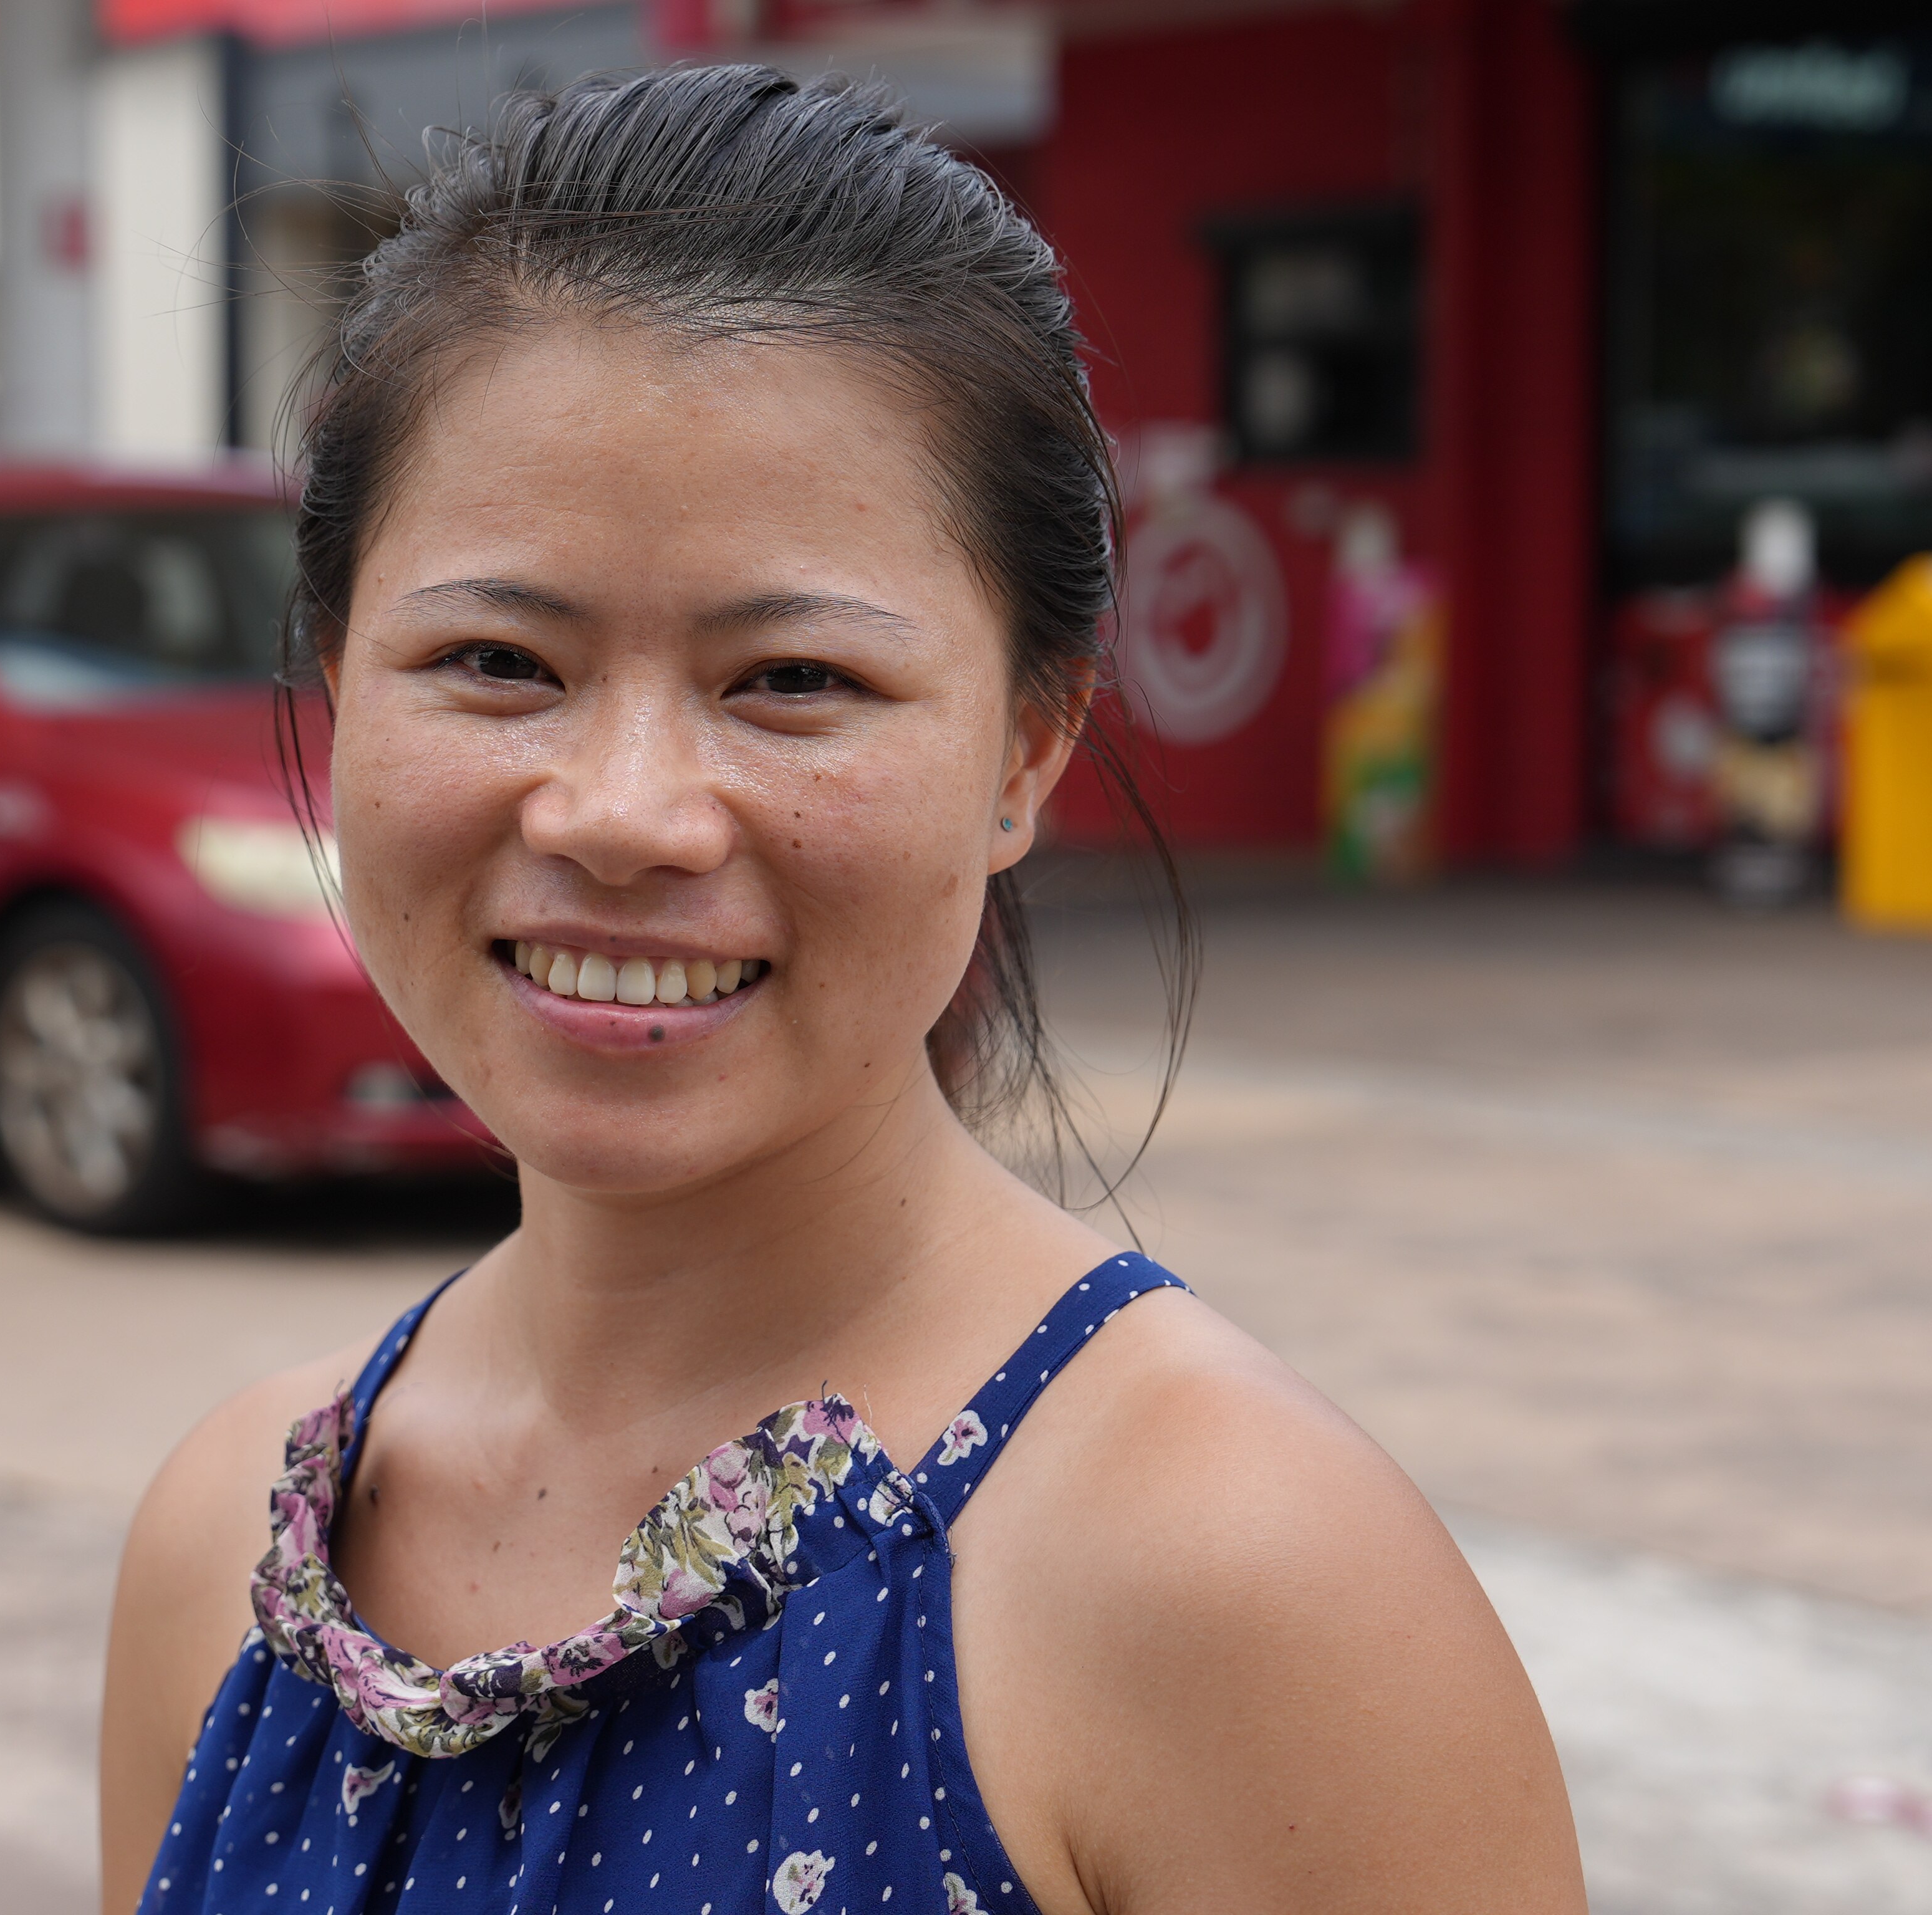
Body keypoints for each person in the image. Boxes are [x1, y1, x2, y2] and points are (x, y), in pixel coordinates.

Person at [103, 66, 1583, 1915]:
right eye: (497, 658)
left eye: (792, 680)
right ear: (339, 685)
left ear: (1027, 754)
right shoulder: (228, 1548)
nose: (623, 814)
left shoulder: (1240, 1578)